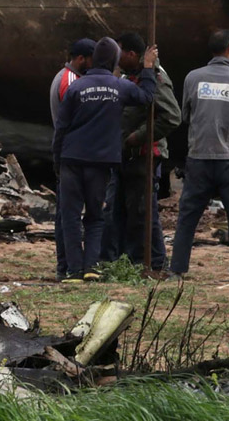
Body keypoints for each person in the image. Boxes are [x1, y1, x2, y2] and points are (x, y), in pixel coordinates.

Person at [54, 37, 157, 282]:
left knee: (69, 216)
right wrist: (149, 68)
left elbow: (61, 127)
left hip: (71, 158)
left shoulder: (76, 88)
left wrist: (57, 159)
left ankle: (73, 270)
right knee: (95, 216)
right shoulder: (119, 87)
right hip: (100, 162)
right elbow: (147, 97)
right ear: (113, 61)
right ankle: (91, 267)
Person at [169, 30, 229, 281]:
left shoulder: (193, 78)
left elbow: (185, 115)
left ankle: (176, 270)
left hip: (198, 157)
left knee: (188, 217)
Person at [113, 31, 182, 270]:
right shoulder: (129, 76)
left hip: (144, 155)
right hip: (127, 156)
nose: (116, 57)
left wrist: (137, 137)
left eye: (119, 52)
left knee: (144, 211)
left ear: (132, 54)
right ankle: (131, 258)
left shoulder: (154, 78)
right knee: (126, 210)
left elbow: (172, 116)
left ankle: (154, 261)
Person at [49, 38, 96, 280]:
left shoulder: (69, 78)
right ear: (80, 59)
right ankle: (69, 267)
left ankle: (65, 266)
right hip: (72, 155)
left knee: (65, 214)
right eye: (91, 59)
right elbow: (74, 120)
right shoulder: (71, 82)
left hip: (69, 153)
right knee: (69, 215)